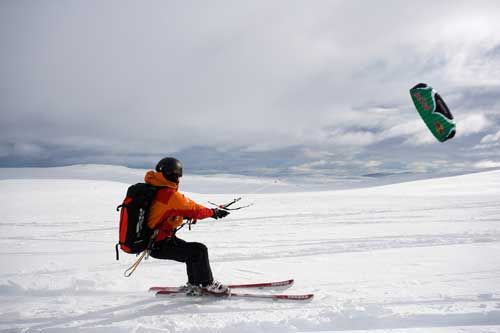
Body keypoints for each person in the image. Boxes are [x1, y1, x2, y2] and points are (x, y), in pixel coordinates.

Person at [145, 157, 230, 295]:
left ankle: (194, 285)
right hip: (159, 244)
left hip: (157, 241)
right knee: (199, 251)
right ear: (171, 174)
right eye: (177, 175)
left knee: (194, 252)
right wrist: (213, 212)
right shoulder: (168, 194)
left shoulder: (156, 190)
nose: (178, 179)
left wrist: (183, 216)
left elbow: (161, 213)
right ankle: (207, 284)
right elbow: (195, 209)